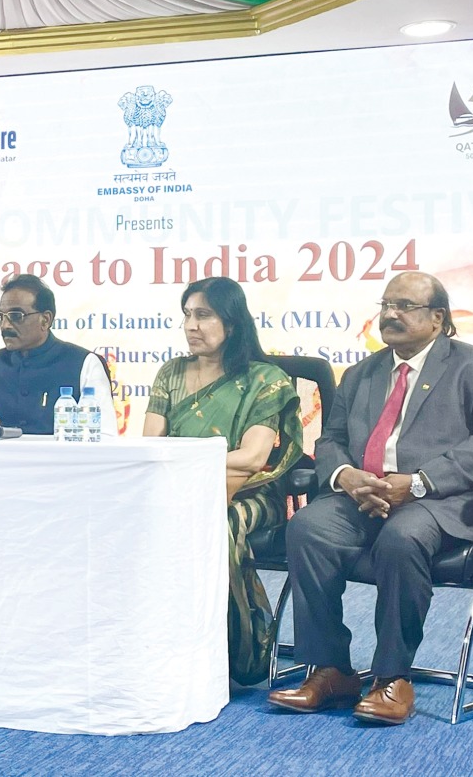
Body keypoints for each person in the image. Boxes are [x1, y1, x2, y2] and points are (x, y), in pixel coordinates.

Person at [267, 271, 473, 726]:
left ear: (438, 318)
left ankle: (392, 677)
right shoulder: (361, 373)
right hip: (365, 498)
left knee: (402, 536)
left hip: (445, 502)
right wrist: (346, 477)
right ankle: (331, 671)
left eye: (404, 306)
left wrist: (417, 483)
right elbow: (332, 440)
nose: (391, 314)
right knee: (307, 527)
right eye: (386, 305)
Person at [142, 276, 303, 684]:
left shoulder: (265, 380)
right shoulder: (171, 374)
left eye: (204, 315)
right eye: (187, 316)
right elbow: (151, 444)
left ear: (231, 324)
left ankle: (240, 645)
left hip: (250, 495)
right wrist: (188, 471)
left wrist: (190, 467)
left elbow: (253, 458)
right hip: (177, 488)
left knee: (219, 521)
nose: (191, 326)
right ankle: (158, 641)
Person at [0, 274, 116, 436]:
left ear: (45, 320)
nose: (5, 325)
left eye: (15, 316)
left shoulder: (84, 364)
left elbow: (104, 435)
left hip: (63, 465)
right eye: (1, 316)